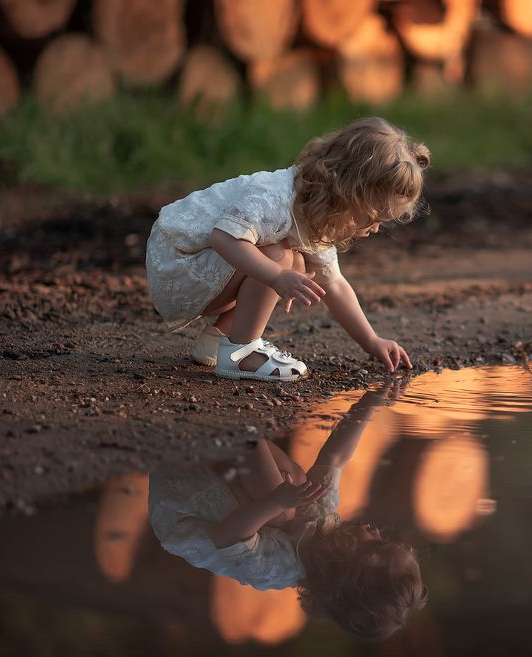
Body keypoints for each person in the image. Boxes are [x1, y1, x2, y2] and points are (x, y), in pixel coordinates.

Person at [145, 116, 430, 381]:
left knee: (297, 265)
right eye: (373, 217)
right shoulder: (276, 197)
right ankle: (241, 352)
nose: (375, 228)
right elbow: (223, 238)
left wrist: (371, 340)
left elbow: (334, 284)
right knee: (278, 257)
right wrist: (276, 276)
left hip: (203, 265)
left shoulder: (316, 212)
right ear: (350, 191)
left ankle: (218, 339)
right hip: (178, 262)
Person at [148, 384, 427, 641]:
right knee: (300, 484)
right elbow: (334, 458)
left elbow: (226, 536)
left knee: (282, 511)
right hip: (214, 484)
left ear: (354, 571)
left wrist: (276, 501)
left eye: (377, 544)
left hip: (183, 505)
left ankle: (239, 427)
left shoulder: (276, 570)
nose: (375, 531)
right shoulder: (324, 525)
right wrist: (370, 402)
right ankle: (233, 427)